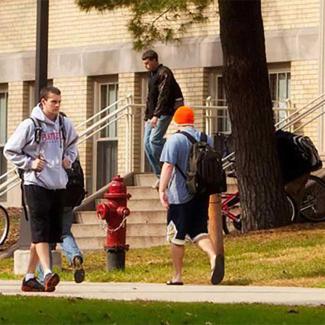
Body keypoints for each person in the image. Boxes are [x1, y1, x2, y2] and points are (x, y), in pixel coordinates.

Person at [4, 86, 78, 292]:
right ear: (43, 102)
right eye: (53, 102)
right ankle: (47, 272)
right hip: (35, 184)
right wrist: (30, 163)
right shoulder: (30, 124)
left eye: (59, 102)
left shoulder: (64, 124)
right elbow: (10, 150)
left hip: (58, 184)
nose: (57, 106)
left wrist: (68, 159)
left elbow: (73, 144)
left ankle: (29, 278)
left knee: (46, 233)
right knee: (40, 230)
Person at [159, 105, 220, 285]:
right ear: (192, 120)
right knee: (199, 231)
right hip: (201, 194)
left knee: (176, 237)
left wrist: (162, 190)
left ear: (177, 121)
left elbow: (168, 166)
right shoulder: (206, 138)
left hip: (180, 196)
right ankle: (214, 256)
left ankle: (177, 276)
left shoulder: (174, 140)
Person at [142, 49, 184, 189]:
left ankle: (170, 166)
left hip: (165, 111)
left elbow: (163, 96)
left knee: (154, 140)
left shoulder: (164, 73)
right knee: (146, 144)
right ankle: (161, 175)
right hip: (153, 114)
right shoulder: (152, 75)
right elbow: (150, 98)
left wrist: (156, 116)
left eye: (148, 63)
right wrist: (147, 116)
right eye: (144, 64)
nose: (146, 66)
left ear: (155, 60)